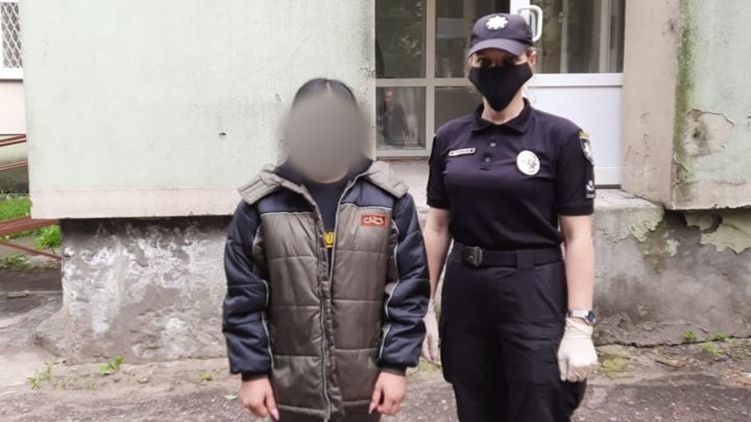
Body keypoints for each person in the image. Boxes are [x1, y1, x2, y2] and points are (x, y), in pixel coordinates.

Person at [422, 13, 598, 422]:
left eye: (507, 61)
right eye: (484, 62)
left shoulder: (562, 138)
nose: (495, 70)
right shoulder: (449, 137)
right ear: (470, 63)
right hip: (467, 288)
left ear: (530, 60)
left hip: (533, 287)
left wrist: (580, 324)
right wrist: (423, 304)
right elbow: (437, 226)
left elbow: (578, 237)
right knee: (473, 400)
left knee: (540, 398)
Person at [222, 78, 430, 422]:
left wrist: (395, 366)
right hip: (290, 388)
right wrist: (252, 372)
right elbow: (245, 296)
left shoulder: (388, 200)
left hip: (364, 387)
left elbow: (407, 291)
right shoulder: (261, 205)